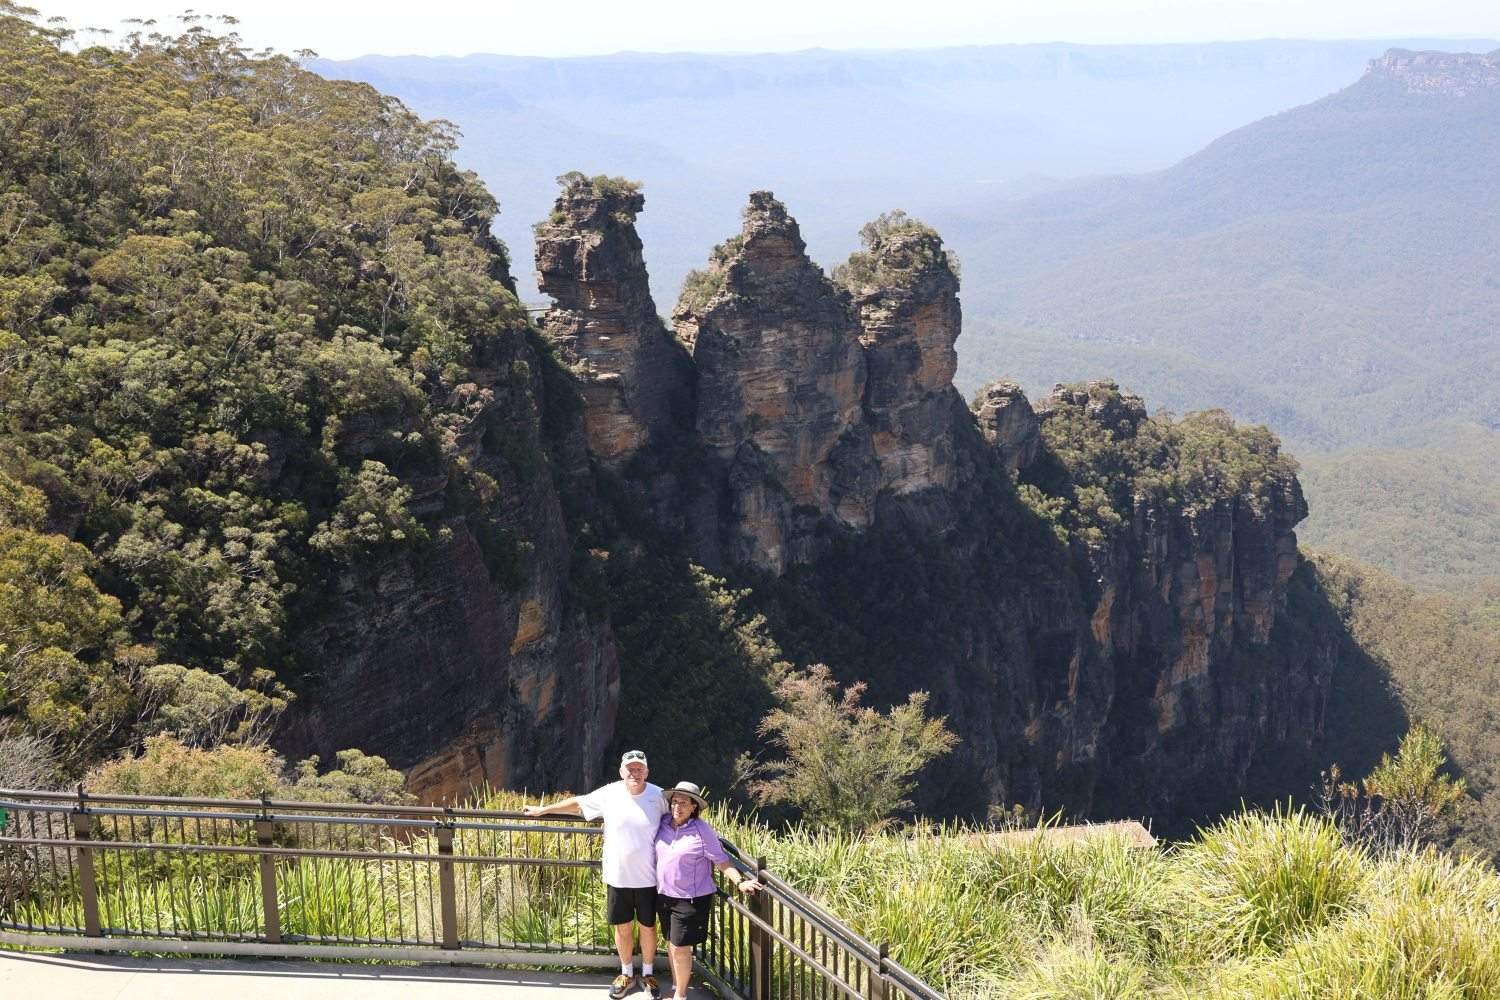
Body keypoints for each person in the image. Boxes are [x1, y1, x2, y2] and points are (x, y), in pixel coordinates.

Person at [524, 750, 668, 999]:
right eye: (630, 769)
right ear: (622, 772)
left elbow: (679, 816)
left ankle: (647, 973)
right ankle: (626, 974)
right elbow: (578, 803)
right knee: (622, 928)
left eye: (639, 769)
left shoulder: (659, 796)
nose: (635, 773)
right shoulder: (609, 793)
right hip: (617, 876)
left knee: (648, 927)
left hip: (649, 878)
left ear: (647, 772)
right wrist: (542, 810)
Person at [654, 781, 762, 1000]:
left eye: (683, 802)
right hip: (664, 895)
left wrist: (740, 882)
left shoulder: (702, 830)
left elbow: (721, 861)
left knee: (681, 947)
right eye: (674, 801)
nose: (677, 806)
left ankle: (681, 996)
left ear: (694, 807)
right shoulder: (664, 823)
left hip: (690, 899)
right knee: (671, 944)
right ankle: (676, 987)